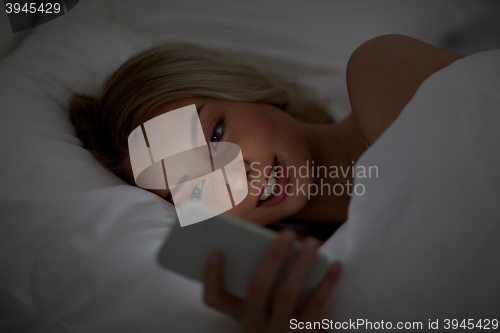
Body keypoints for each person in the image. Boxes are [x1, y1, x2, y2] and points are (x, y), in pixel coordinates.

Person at [69, 34, 463, 333]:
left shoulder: (381, 70)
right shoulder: (306, 284)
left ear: (248, 89)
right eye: (192, 189)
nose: (234, 174)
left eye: (216, 135)